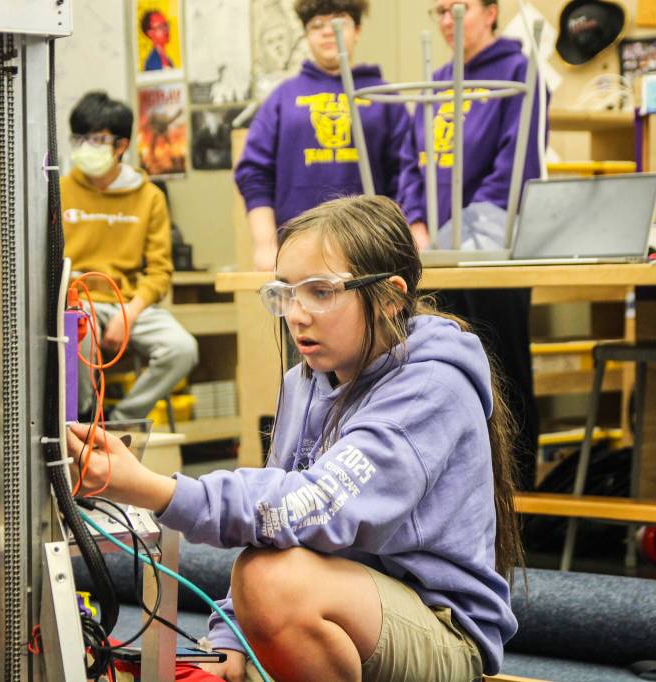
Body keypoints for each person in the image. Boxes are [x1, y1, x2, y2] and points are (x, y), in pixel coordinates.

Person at [67, 196, 522, 681]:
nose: (297, 315)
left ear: (390, 297)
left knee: (272, 583)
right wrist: (229, 638)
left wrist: (153, 489)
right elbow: (273, 524)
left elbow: (315, 507)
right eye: (285, 293)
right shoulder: (303, 382)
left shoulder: (432, 386)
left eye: (321, 292)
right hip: (349, 604)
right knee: (251, 596)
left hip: (441, 629)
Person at [398, 0, 545, 489]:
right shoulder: (435, 80)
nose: (447, 21)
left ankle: (518, 499)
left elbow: (514, 167)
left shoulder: (519, 72)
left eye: (457, 8)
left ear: (490, 11)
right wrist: (416, 224)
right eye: (439, 11)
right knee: (443, 373)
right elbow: (411, 163)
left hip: (492, 249)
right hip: (434, 253)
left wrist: (457, 235)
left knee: (503, 370)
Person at [234, 0, 412, 271]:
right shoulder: (282, 98)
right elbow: (254, 173)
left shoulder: (384, 97)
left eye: (339, 21)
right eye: (317, 25)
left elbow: (406, 175)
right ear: (306, 34)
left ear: (358, 30)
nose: (328, 31)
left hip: (368, 252)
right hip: (296, 249)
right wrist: (264, 245)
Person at [61, 91, 198, 421]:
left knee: (182, 348)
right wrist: (71, 302)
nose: (86, 147)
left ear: (121, 146)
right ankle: (83, 421)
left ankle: (121, 421)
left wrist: (129, 313)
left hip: (129, 303)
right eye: (79, 139)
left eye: (96, 140)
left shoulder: (149, 197)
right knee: (76, 334)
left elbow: (160, 271)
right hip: (76, 301)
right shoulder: (58, 191)